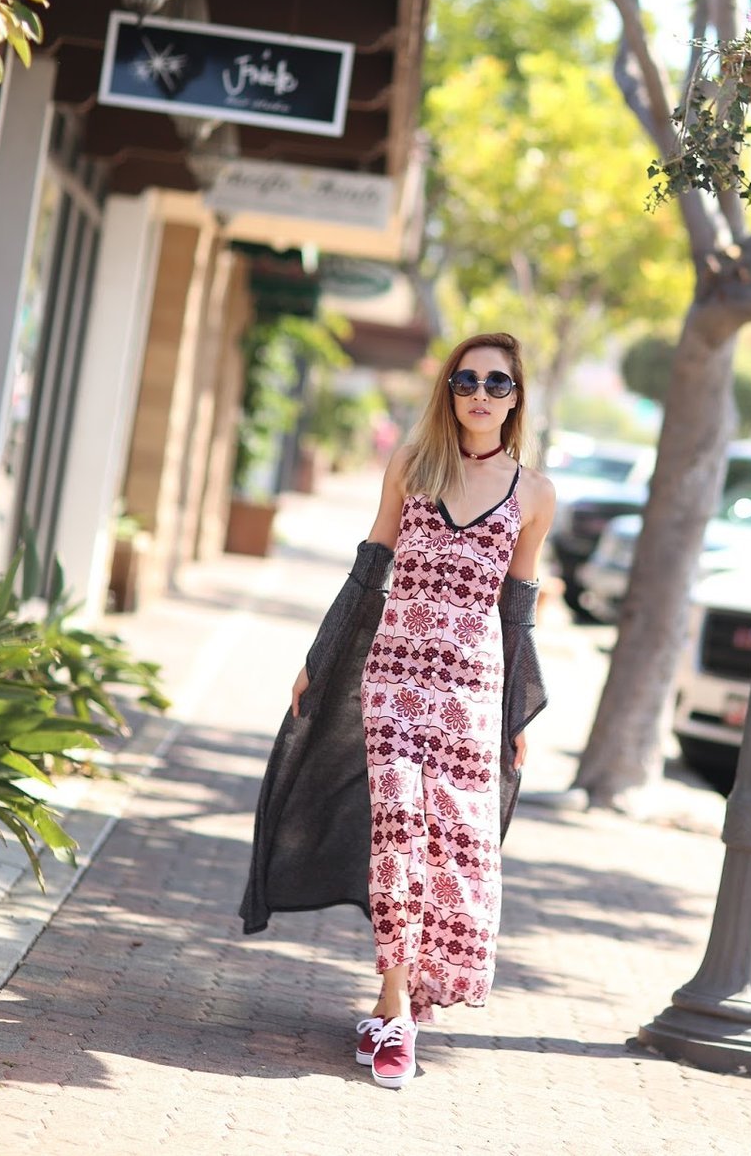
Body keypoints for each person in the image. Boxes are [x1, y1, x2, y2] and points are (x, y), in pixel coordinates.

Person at [239, 331, 555, 1090]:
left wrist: (514, 715)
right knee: (400, 838)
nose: (481, 394)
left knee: (451, 851)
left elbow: (518, 613)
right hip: (394, 680)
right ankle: (394, 1013)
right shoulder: (412, 467)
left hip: (470, 693)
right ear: (448, 390)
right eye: (468, 380)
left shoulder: (534, 494)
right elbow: (369, 566)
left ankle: (405, 994)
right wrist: (319, 660)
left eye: (498, 384)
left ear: (516, 399)